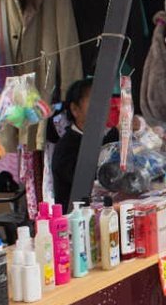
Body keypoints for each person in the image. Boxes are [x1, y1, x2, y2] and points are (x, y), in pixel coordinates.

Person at [50, 79, 120, 211]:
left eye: (104, 100)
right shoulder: (66, 148)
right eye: (94, 100)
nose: (103, 106)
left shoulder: (110, 136)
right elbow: (89, 178)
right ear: (75, 109)